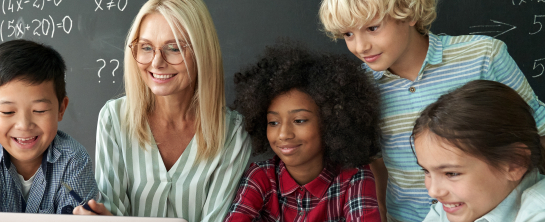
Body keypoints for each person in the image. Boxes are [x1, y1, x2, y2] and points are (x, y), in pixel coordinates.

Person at [318, 0, 545, 221]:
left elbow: (538, 131)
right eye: (348, 34)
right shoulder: (360, 87)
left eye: (372, 28)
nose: (360, 46)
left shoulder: (483, 55)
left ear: (408, 13)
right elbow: (376, 162)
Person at [73, 0, 252, 221]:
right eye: (146, 47)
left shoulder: (232, 133)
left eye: (174, 47)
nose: (156, 62)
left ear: (202, 52)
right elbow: (112, 213)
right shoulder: (114, 118)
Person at [225, 40, 381, 222]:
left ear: (331, 122)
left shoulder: (354, 177)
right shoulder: (260, 177)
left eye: (299, 120)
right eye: (273, 122)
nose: (283, 134)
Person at [0, 39, 97, 214]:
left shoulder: (73, 159)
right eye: (8, 112)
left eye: (39, 110)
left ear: (61, 109)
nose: (24, 125)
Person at [413, 80, 545, 221]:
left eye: (451, 173)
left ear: (515, 163)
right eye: (426, 171)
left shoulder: (538, 212)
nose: (433, 192)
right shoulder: (451, 203)